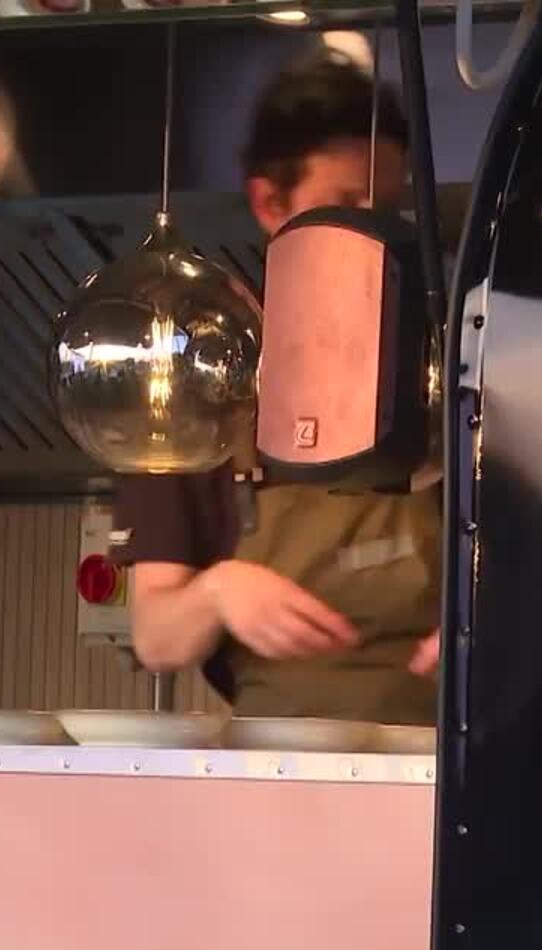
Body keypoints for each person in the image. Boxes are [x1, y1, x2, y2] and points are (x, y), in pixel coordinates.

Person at [110, 52, 444, 724]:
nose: (372, 233)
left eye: (388, 209)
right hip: (275, 767)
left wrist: (489, 626)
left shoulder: (444, 373)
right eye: (344, 205)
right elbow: (157, 636)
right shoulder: (202, 388)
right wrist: (220, 592)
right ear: (270, 204)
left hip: (435, 764)